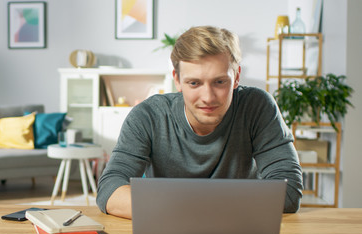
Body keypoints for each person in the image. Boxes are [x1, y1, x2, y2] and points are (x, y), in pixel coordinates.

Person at [96, 26, 303, 219]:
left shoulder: (257, 106)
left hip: (238, 230)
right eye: (194, 83)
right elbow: (110, 188)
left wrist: (178, 207)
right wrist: (199, 210)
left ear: (237, 76)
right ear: (177, 80)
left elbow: (288, 190)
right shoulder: (148, 115)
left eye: (220, 82)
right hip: (177, 228)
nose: (208, 97)